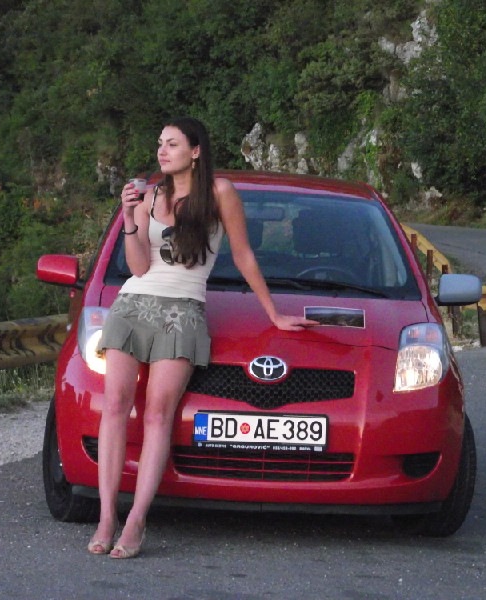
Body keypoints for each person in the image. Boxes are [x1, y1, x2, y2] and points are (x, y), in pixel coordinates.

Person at [87, 117, 318, 559]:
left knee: (158, 414)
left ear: (195, 151)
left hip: (183, 310)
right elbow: (138, 268)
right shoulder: (150, 195)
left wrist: (273, 313)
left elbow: (243, 254)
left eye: (172, 144)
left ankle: (136, 520)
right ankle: (106, 516)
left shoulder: (220, 193)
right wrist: (129, 218)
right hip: (132, 307)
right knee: (115, 406)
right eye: (160, 143)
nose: (162, 151)